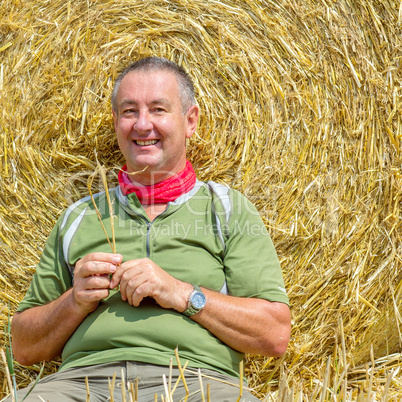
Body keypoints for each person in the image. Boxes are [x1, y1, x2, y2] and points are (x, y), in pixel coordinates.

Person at [7, 57, 291, 401]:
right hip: (82, 385)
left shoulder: (227, 209)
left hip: (196, 383)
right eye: (129, 111)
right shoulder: (79, 216)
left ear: (190, 121)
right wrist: (74, 300)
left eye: (158, 109)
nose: (143, 125)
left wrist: (182, 293)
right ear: (115, 122)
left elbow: (274, 334)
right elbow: (23, 347)